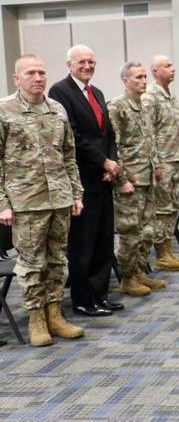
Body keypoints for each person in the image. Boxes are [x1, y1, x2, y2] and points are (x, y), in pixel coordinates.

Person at [0, 55, 86, 347]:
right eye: (31, 73)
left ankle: (55, 315)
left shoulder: (56, 110)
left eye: (42, 72)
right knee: (31, 263)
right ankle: (36, 318)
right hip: (25, 202)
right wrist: (2, 203)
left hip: (59, 198)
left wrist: (76, 193)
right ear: (17, 79)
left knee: (56, 260)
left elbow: (69, 155)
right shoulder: (4, 110)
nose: (38, 77)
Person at [48, 45, 124, 317]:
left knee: (104, 242)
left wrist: (111, 165)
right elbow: (74, 137)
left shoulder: (98, 92)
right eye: (82, 62)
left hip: (103, 179)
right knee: (83, 245)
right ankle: (82, 299)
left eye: (91, 61)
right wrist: (102, 162)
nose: (88, 66)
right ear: (69, 65)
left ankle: (100, 296)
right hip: (82, 180)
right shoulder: (60, 91)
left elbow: (109, 134)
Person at [108, 62, 165, 297]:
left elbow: (150, 139)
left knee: (147, 230)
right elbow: (114, 146)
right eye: (139, 77)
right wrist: (120, 180)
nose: (144, 81)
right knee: (130, 233)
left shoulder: (143, 105)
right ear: (125, 81)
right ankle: (127, 277)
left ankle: (139, 270)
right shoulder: (116, 106)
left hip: (147, 177)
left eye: (144, 77)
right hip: (130, 181)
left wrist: (157, 166)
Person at [145, 55, 179, 271]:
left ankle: (168, 251)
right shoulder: (151, 97)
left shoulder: (169, 96)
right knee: (162, 209)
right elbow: (149, 133)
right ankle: (161, 255)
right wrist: (155, 163)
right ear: (155, 71)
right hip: (162, 162)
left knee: (171, 207)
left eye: (172, 65)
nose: (173, 69)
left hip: (173, 159)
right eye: (167, 66)